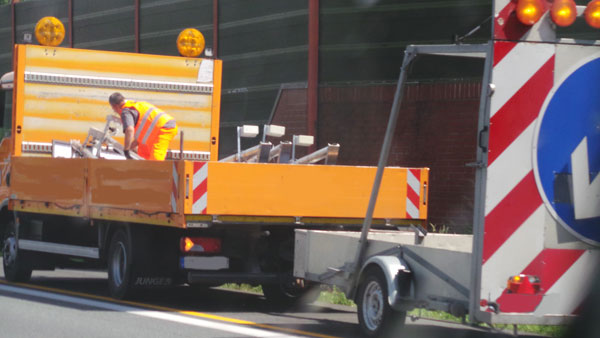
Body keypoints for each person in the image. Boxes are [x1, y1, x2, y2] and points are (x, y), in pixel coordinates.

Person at [108, 92, 178, 161]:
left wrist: (126, 150)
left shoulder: (126, 111)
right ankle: (145, 171)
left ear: (115, 106)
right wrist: (129, 148)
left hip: (165, 128)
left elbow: (129, 130)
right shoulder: (136, 105)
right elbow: (140, 135)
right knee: (142, 155)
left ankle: (156, 171)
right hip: (157, 131)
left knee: (156, 159)